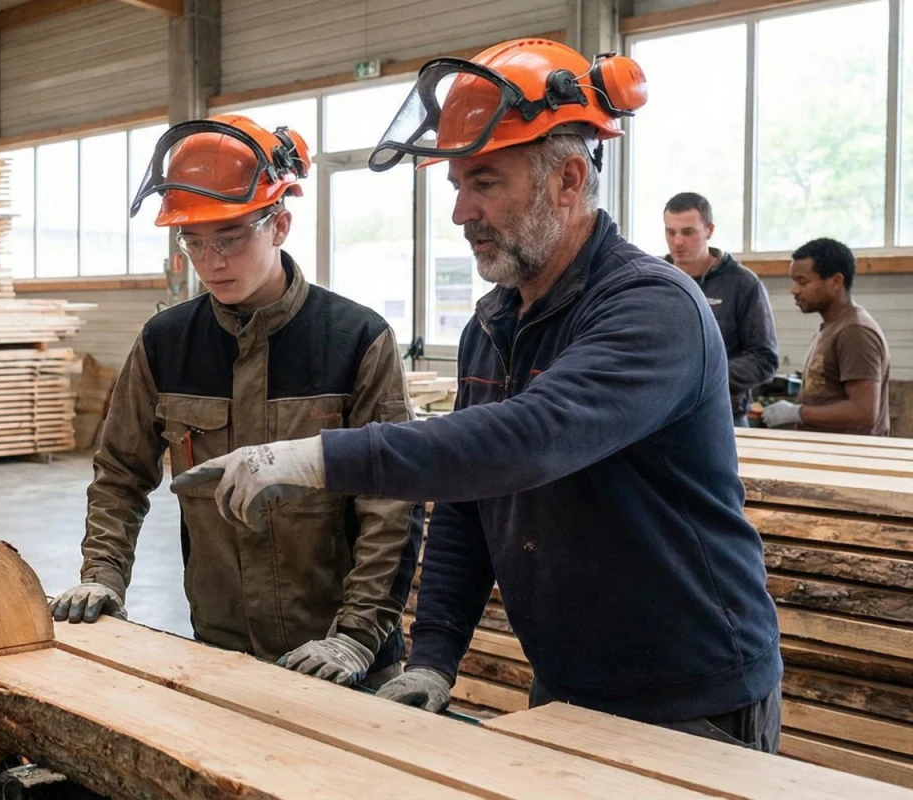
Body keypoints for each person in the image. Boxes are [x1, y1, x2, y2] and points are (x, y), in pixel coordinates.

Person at [172, 40, 783, 750]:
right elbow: (469, 499)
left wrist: (316, 459)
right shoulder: (493, 324)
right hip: (567, 684)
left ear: (568, 180)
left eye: (485, 182)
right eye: (457, 184)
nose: (461, 210)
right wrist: (434, 656)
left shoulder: (653, 308)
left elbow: (530, 440)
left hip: (692, 695)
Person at [50, 114, 423, 689]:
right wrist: (102, 574)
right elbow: (121, 474)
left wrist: (356, 636)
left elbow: (391, 504)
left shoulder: (355, 339)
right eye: (194, 242)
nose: (211, 262)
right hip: (220, 649)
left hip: (342, 661)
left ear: (280, 225)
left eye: (230, 238)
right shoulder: (165, 343)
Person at [663, 192, 779, 425]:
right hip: (661, 418)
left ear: (709, 230)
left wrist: (701, 378)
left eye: (688, 232)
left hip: (722, 418)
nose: (677, 241)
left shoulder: (743, 283)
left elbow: (764, 358)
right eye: (670, 232)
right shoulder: (652, 279)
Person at [762, 238, 891, 436]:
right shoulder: (832, 327)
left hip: (849, 458)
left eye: (802, 281)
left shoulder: (855, 332)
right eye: (793, 280)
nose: (794, 290)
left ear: (836, 281)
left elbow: (864, 412)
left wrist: (798, 413)